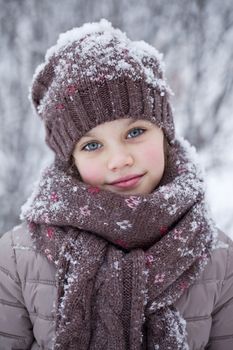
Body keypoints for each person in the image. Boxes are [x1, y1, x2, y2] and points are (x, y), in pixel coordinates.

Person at [0, 18, 232, 350]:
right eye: (92, 145)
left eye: (135, 132)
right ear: (72, 162)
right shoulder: (16, 257)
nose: (119, 159)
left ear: (164, 133)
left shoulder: (218, 256)